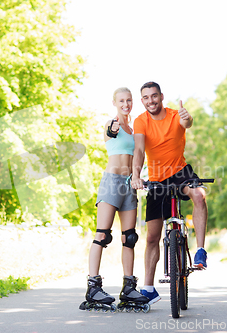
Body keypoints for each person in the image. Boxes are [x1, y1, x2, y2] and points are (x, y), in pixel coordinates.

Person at [130, 81, 208, 305]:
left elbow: (188, 122)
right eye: (146, 98)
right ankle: (148, 288)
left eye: (154, 96)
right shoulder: (141, 121)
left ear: (161, 96)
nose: (150, 101)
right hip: (156, 178)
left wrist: (187, 118)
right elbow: (139, 150)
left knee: (199, 195)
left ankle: (201, 250)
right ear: (142, 100)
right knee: (152, 236)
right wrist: (136, 175)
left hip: (180, 172)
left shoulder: (176, 116)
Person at [82, 87, 149, 311]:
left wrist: (139, 177)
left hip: (129, 184)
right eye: (121, 100)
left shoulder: (134, 129)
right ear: (114, 103)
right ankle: (93, 287)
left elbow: (139, 154)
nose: (126, 104)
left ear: (133, 102)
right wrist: (113, 127)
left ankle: (129, 287)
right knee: (102, 235)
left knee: (129, 238)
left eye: (129, 100)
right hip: (111, 182)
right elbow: (110, 133)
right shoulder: (112, 125)